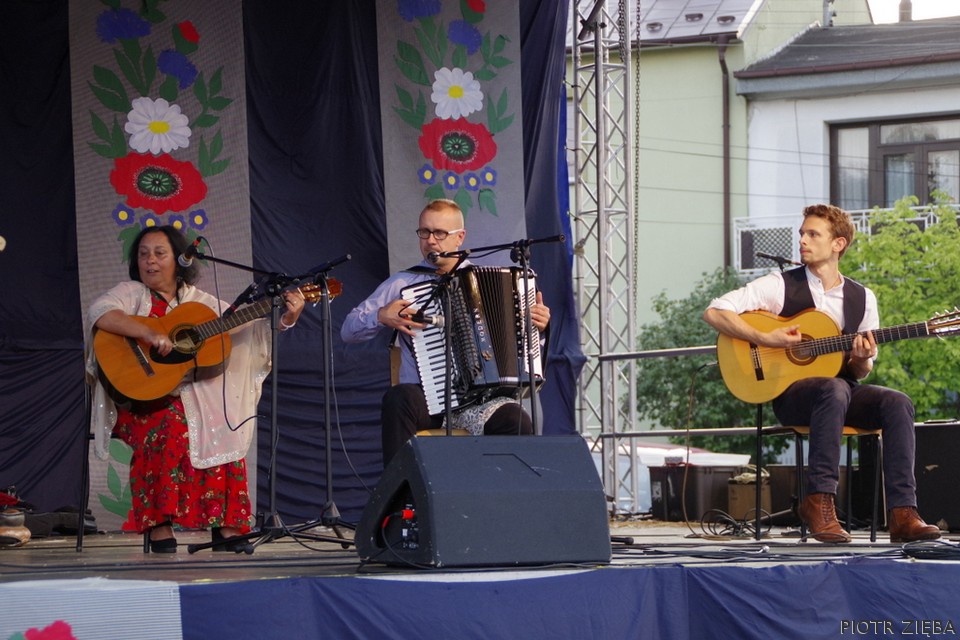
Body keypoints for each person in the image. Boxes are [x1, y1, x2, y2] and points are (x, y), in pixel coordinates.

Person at [703, 204, 941, 544]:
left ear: (838, 244)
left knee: (897, 402)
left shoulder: (862, 297)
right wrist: (766, 338)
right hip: (793, 398)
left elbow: (860, 371)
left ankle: (903, 513)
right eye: (802, 233)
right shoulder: (780, 285)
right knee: (834, 389)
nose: (802, 240)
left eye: (813, 234)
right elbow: (715, 311)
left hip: (839, 392)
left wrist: (862, 358)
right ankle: (818, 501)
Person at [85, 225, 306, 553]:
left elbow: (248, 329)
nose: (150, 261)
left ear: (179, 260)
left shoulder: (200, 303)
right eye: (143, 254)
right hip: (140, 401)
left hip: (192, 396)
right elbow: (100, 314)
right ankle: (159, 525)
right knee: (170, 424)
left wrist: (286, 318)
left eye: (159, 253)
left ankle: (226, 526)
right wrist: (147, 333)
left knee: (224, 423)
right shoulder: (131, 293)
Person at [341, 199, 550, 464]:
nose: (430, 241)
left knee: (516, 419)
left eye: (439, 233)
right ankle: (401, 489)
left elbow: (521, 352)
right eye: (424, 232)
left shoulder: (493, 283)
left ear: (460, 237)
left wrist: (538, 328)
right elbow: (348, 330)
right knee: (399, 399)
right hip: (426, 401)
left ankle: (500, 490)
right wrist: (380, 315)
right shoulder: (403, 283)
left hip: (479, 402)